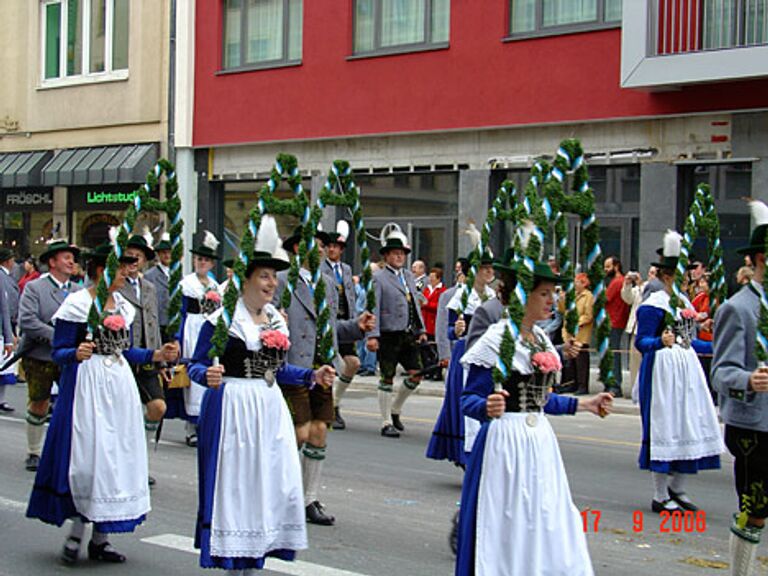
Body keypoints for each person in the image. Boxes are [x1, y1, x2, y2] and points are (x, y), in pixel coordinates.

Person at [188, 216, 336, 572]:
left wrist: (313, 375)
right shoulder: (223, 320)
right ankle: (235, 562)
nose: (272, 283)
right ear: (247, 279)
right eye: (265, 276)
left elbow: (279, 369)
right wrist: (206, 373)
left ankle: (254, 561)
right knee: (236, 486)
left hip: (269, 407)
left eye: (273, 276)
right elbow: (193, 362)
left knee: (267, 484)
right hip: (233, 407)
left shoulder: (274, 319)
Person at [455, 260, 613, 576]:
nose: (552, 300)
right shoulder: (496, 339)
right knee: (506, 519)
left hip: (540, 444)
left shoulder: (541, 340)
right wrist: (486, 406)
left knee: (545, 516)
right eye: (544, 293)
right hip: (504, 443)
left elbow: (541, 401)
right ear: (521, 297)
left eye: (553, 292)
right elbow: (467, 398)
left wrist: (586, 405)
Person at [26, 243, 179, 564]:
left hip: (118, 386)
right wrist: (75, 353)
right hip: (87, 386)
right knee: (89, 458)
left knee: (114, 459)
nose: (126, 273)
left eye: (128, 267)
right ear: (101, 270)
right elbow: (60, 350)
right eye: (121, 268)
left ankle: (101, 539)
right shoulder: (77, 304)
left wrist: (156, 355)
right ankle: (77, 532)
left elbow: (126, 351)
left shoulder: (123, 306)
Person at [277, 226, 374, 525]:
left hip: (324, 368)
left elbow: (332, 327)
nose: (321, 249)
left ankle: (309, 499)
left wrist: (357, 326)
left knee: (319, 431)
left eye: (322, 245)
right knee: (299, 431)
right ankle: (281, 494)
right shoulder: (282, 280)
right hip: (295, 365)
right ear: (297, 249)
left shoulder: (329, 284)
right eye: (315, 244)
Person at [635, 231, 723, 514]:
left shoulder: (683, 303)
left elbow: (688, 340)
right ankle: (660, 494)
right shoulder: (653, 304)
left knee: (689, 423)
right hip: (662, 372)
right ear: (669, 275)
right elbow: (642, 342)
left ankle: (678, 487)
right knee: (665, 426)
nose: (687, 279)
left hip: (686, 372)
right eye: (682, 274)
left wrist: (712, 345)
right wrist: (660, 342)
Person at [711, 200, 768, 576]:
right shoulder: (739, 307)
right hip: (754, 427)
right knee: (756, 511)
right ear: (762, 258)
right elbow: (721, 371)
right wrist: (747, 379)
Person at [18, 240, 82, 470]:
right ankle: (34, 451)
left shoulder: (78, 290)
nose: (71, 262)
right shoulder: (35, 287)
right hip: (40, 355)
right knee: (39, 402)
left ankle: (66, 449)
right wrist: (59, 337)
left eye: (72, 258)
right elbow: (27, 321)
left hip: (69, 357)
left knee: (71, 403)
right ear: (52, 262)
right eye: (66, 258)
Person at [426, 251, 494, 466]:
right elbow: (448, 331)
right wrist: (455, 330)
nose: (490, 272)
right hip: (465, 353)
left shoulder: (493, 297)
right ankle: (464, 454)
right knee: (464, 403)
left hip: (487, 355)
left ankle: (484, 452)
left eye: (491, 268)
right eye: (485, 268)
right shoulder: (462, 296)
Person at [367, 227, 427, 438]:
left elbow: (415, 305)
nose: (399, 256)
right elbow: (373, 307)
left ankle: (395, 409)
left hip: (408, 333)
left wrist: (421, 329)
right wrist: (372, 335)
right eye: (395, 253)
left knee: (416, 374)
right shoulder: (379, 278)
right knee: (387, 377)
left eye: (402, 253)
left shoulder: (409, 276)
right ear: (386, 256)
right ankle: (385, 422)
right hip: (388, 333)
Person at [167, 231, 222, 447]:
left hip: (208, 327)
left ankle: (205, 423)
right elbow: (179, 312)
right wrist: (178, 338)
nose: (202, 263)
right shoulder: (186, 284)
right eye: (199, 259)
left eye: (206, 260)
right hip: (192, 327)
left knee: (209, 371)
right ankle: (191, 427)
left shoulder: (215, 286)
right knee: (192, 374)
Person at [119, 232, 165, 486]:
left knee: (158, 407)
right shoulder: (115, 284)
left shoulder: (149, 287)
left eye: (139, 255)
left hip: (148, 358)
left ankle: (140, 462)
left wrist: (161, 361)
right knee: (126, 413)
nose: (135, 259)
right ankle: (126, 465)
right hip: (123, 357)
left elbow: (154, 324)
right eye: (130, 254)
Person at [321, 221, 361, 430]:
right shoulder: (321, 267)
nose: (332, 249)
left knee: (353, 363)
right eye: (329, 246)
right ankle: (331, 409)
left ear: (342, 250)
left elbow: (351, 296)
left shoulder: (346, 269)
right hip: (330, 323)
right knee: (331, 365)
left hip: (346, 323)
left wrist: (355, 321)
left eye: (336, 246)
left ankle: (335, 400)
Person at [559, 272, 594, 395]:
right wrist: (561, 300)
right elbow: (563, 310)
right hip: (569, 333)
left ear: (583, 283)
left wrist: (576, 323)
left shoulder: (588, 296)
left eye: (577, 282)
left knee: (581, 363)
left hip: (581, 334)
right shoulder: (572, 295)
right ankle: (571, 384)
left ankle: (582, 386)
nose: (575, 284)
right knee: (571, 362)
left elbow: (588, 315)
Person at [604, 255, 629, 397]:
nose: (606, 270)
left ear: (616, 266)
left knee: (613, 354)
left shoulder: (617, 282)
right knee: (612, 353)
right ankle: (612, 382)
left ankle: (615, 384)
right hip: (615, 320)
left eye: (608, 267)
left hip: (614, 321)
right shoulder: (619, 281)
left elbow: (605, 298)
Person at [143, 233, 173, 341]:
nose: (167, 256)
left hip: (174, 324)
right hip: (159, 324)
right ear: (159, 255)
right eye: (164, 253)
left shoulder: (178, 274)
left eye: (170, 253)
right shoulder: (150, 275)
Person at [421, 264, 446, 380]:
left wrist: (427, 304)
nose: (430, 279)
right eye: (430, 277)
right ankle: (428, 370)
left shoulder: (442, 291)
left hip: (434, 322)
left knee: (435, 349)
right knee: (425, 349)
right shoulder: (427, 289)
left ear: (438, 278)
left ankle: (437, 371)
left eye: (433, 277)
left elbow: (439, 306)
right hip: (425, 322)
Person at [0, 248, 18, 410]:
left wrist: (8, 334)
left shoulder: (4, 277)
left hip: (4, 325)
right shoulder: (2, 277)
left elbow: (4, 307)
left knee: (4, 365)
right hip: (5, 324)